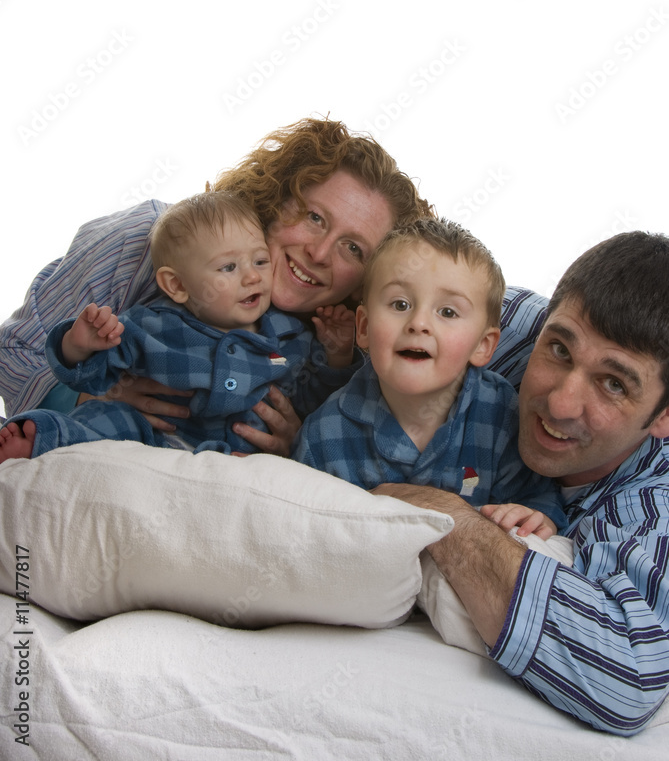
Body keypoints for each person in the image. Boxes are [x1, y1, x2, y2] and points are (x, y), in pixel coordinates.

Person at [0, 118, 549, 452]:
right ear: (273, 197)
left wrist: (292, 445)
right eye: (313, 217)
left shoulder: (340, 344)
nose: (318, 252)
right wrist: (92, 394)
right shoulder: (144, 240)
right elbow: (17, 349)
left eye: (353, 249)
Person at [373, 231, 669, 736]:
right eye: (559, 349)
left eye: (613, 383)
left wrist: (440, 515)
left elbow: (626, 681)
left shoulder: (650, 503)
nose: (559, 403)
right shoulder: (496, 325)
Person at [0, 190, 358, 461]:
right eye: (229, 269)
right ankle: (41, 437)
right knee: (104, 417)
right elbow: (96, 374)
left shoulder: (291, 338)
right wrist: (80, 345)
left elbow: (313, 398)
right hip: (150, 438)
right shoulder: (153, 325)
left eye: (261, 261)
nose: (252, 277)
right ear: (178, 286)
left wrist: (337, 356)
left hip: (230, 456)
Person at [292, 218, 566, 535]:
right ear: (364, 328)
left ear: (482, 345)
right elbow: (304, 533)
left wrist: (537, 516)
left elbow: (539, 499)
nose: (419, 323)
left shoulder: (503, 415)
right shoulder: (323, 436)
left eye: (447, 312)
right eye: (400, 304)